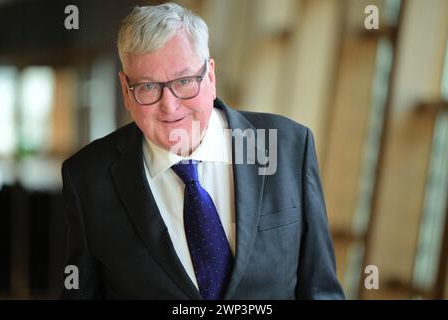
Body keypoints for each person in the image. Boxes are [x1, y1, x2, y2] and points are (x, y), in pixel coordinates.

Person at [60, 2, 344, 300]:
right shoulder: (88, 179)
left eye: (184, 82)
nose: (169, 106)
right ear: (125, 91)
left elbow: (321, 291)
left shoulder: (288, 147)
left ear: (210, 76)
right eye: (147, 87)